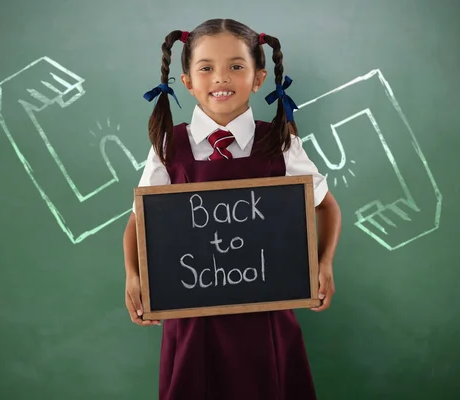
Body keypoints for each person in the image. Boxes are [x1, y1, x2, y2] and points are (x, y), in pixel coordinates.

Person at [122, 18, 342, 400]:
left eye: (236, 67)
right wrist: (133, 275)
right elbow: (139, 220)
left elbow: (326, 206)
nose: (220, 78)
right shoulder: (169, 146)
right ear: (187, 81)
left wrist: (324, 263)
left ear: (258, 78)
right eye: (206, 68)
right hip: (192, 319)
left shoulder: (279, 142)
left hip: (266, 315)